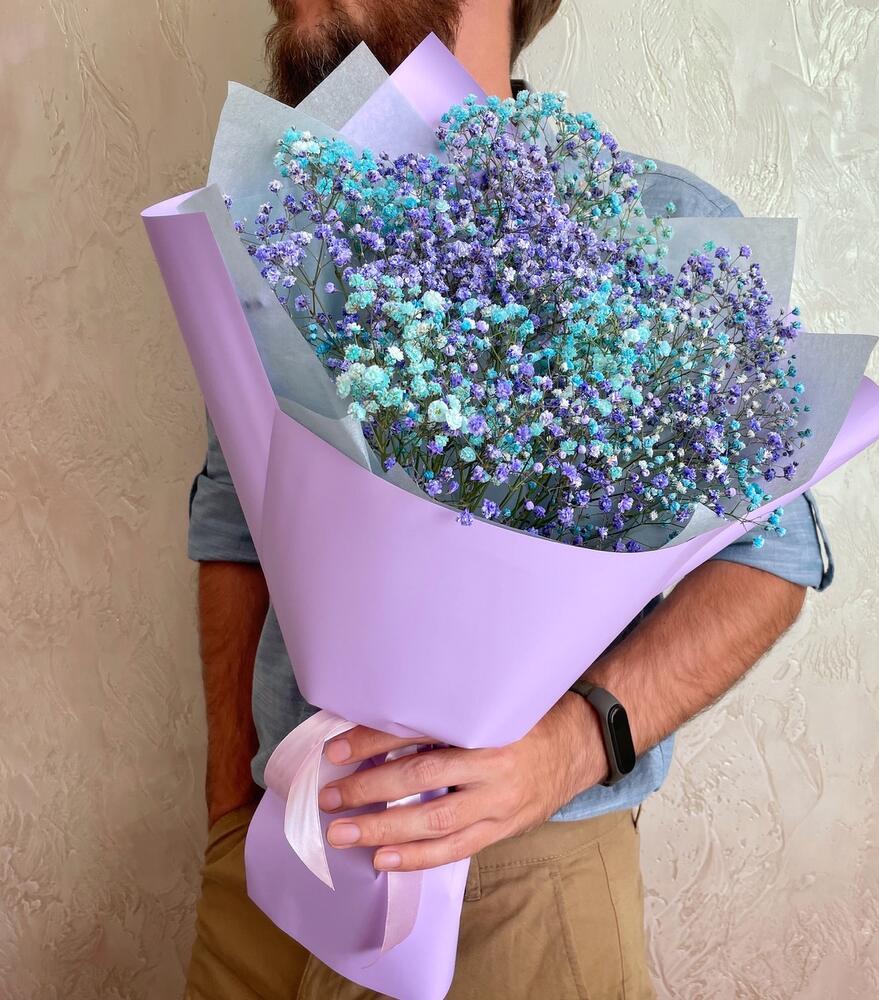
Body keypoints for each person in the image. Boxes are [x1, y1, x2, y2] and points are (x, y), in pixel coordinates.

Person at [184, 1, 833, 997]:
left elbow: (771, 560)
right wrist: (230, 805)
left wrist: (570, 748)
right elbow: (234, 515)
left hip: (519, 877)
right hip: (279, 845)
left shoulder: (656, 227)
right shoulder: (288, 216)